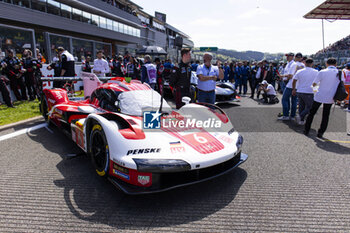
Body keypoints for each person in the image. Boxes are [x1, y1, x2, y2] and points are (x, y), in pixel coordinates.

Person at [304, 58, 340, 138]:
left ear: (327, 63)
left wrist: (315, 92)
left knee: (312, 113)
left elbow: (314, 84)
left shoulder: (322, 72)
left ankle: (307, 129)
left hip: (319, 95)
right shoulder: (339, 73)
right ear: (335, 64)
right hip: (331, 96)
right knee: (325, 115)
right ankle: (321, 132)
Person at [292, 58, 318, 125]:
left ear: (305, 63)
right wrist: (316, 91)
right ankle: (300, 117)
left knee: (301, 106)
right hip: (309, 91)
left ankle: (301, 120)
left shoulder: (300, 71)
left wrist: (294, 89)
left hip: (300, 90)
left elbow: (294, 80)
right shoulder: (316, 72)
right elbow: (317, 83)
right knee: (310, 107)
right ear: (312, 64)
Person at [278, 53, 297, 121]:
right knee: (293, 100)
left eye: (288, 56)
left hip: (290, 84)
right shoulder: (289, 64)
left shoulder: (293, 64)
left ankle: (286, 115)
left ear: (292, 57)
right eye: (287, 56)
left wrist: (282, 76)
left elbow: (291, 75)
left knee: (285, 99)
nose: (287, 57)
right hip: (290, 84)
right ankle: (291, 115)